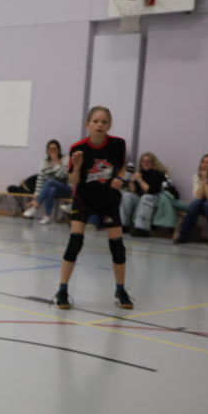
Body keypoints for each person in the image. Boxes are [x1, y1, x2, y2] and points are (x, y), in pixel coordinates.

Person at [51, 107, 132, 310]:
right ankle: (62, 290)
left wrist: (119, 178)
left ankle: (120, 290)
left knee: (118, 248)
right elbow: (73, 181)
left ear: (109, 125)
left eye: (104, 122)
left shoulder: (117, 144)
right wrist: (77, 166)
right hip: (84, 199)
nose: (99, 125)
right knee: (75, 243)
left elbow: (122, 166)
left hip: (108, 200)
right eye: (95, 121)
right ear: (87, 124)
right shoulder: (78, 148)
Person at [120, 152, 168, 236]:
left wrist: (140, 180)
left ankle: (142, 228)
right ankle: (124, 224)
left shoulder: (158, 174)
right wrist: (131, 181)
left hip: (155, 197)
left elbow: (150, 190)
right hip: (141, 196)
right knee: (126, 196)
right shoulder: (140, 173)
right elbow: (133, 191)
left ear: (153, 162)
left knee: (146, 198)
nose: (145, 163)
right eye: (143, 161)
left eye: (148, 161)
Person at [21, 139, 69, 224]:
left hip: (66, 188)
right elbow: (40, 182)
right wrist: (35, 197)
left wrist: (57, 162)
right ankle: (47, 217)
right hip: (53, 189)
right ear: (47, 151)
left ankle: (35, 206)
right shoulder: (44, 162)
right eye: (50, 149)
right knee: (51, 189)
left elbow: (63, 176)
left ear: (59, 150)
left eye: (55, 149)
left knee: (50, 181)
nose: (52, 151)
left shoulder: (65, 159)